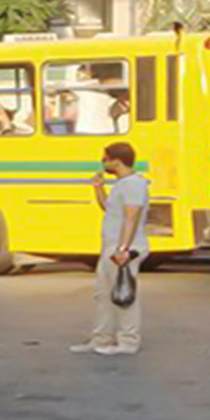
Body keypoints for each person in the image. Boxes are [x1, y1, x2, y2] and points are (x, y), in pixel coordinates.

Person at [71, 142, 150, 356]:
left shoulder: (134, 184)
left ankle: (128, 341)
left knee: (124, 295)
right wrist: (98, 188)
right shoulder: (122, 183)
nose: (103, 162)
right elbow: (109, 208)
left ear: (117, 160)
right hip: (111, 247)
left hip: (124, 249)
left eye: (105, 158)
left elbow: (131, 216)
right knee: (103, 294)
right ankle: (101, 338)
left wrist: (123, 248)